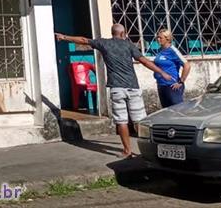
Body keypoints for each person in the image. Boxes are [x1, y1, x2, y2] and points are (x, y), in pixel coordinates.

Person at [55, 24, 172, 158]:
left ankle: (127, 151)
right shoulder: (128, 45)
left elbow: (83, 40)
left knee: (121, 121)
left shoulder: (104, 43)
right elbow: (144, 61)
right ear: (123, 34)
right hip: (133, 87)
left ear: (113, 33)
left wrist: (64, 37)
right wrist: (162, 72)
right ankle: (147, 150)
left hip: (117, 89)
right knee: (139, 121)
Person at [152, 29, 190, 108]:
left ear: (167, 39)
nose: (158, 39)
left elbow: (187, 65)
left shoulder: (173, 50)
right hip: (161, 85)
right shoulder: (161, 51)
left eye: (160, 38)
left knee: (177, 110)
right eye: (157, 37)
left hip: (172, 86)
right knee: (166, 112)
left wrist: (181, 81)